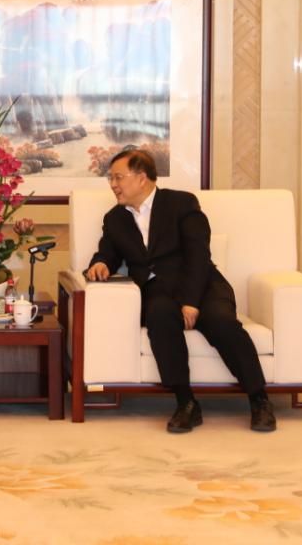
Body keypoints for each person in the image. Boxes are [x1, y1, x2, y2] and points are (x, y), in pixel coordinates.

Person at [84, 149, 276, 433]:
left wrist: (190, 302)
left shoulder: (181, 203)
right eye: (111, 179)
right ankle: (186, 402)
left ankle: (259, 399)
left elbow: (198, 255)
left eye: (118, 177)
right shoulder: (115, 218)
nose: (113, 185)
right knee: (159, 317)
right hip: (157, 290)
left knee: (222, 322)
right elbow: (108, 252)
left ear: (142, 178)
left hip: (201, 284)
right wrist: (100, 263)